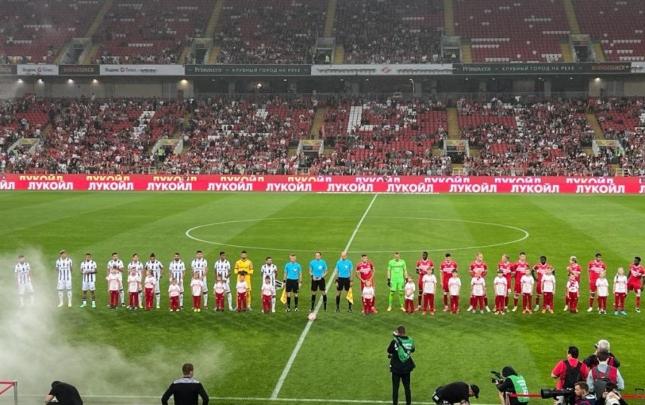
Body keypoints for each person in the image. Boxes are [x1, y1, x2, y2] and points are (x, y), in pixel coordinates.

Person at [387, 325, 415, 405]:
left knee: (395, 388)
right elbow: (412, 349)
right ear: (404, 332)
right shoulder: (410, 340)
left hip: (396, 368)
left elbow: (389, 350)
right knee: (407, 388)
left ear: (398, 332)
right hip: (406, 368)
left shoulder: (395, 341)